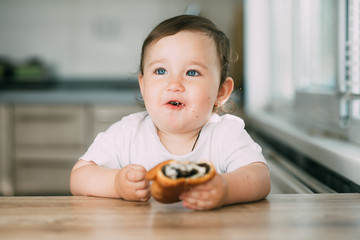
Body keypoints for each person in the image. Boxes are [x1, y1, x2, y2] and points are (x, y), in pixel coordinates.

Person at [70, 15, 271, 210]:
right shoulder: (128, 133)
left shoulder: (225, 134)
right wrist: (116, 184)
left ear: (221, 91)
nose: (174, 85)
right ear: (143, 85)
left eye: (192, 72)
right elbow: (79, 177)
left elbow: (260, 178)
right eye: (160, 71)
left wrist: (226, 189)